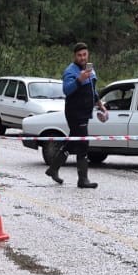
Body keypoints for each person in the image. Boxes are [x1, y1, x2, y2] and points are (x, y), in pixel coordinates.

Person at [50, 42, 106, 189]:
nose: (82, 57)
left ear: (88, 55)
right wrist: (79, 80)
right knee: (82, 144)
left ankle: (53, 169)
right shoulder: (71, 71)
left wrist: (100, 105)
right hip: (75, 112)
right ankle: (83, 179)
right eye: (79, 55)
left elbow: (93, 91)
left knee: (73, 142)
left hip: (86, 112)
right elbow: (66, 90)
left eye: (84, 55)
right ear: (75, 56)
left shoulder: (90, 70)